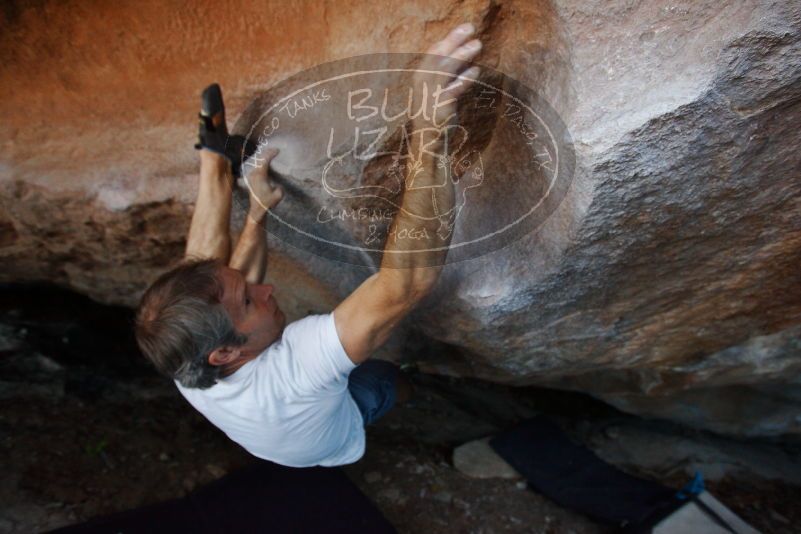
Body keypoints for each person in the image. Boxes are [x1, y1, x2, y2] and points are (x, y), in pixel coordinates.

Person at [134, 23, 482, 467]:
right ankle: (415, 384)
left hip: (273, 425)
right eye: (250, 301)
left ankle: (215, 162)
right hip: (335, 438)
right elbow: (404, 285)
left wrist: (256, 209)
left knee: (208, 289)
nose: (267, 290)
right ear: (224, 354)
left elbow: (212, 278)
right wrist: (429, 128)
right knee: (383, 383)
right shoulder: (297, 370)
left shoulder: (182, 357)